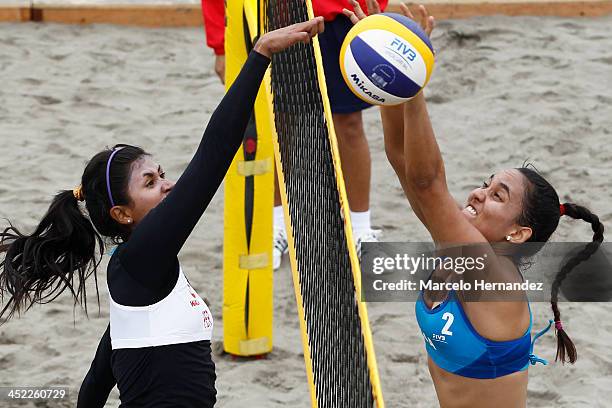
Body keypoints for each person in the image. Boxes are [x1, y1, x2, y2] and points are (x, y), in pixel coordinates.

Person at [0, 17, 325, 407]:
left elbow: (97, 379)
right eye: (150, 182)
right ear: (122, 214)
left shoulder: (136, 272)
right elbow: (213, 156)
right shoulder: (143, 259)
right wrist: (259, 56)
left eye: (162, 174)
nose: (169, 185)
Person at [344, 2, 604, 407]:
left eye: (498, 195)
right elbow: (400, 156)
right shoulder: (458, 251)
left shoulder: (493, 277)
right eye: (486, 183)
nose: (478, 194)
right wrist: (389, 64)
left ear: (518, 233)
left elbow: (427, 183)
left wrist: (414, 78)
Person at [201, 0, 389, 268]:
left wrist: (371, 14)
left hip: (340, 18)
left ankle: (360, 228)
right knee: (280, 125)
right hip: (276, 19)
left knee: (348, 124)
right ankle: (278, 226)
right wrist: (220, 44)